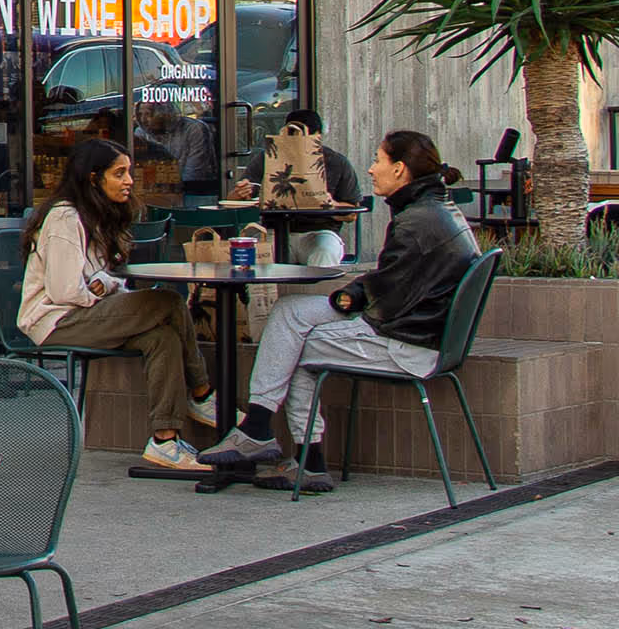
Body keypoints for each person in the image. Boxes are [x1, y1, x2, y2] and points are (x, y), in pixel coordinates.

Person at [201, 129, 475, 493]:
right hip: (420, 329)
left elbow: (387, 291)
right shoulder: (436, 210)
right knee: (288, 311)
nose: (372, 168)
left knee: (294, 347)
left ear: (400, 169)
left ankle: (292, 451)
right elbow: (394, 280)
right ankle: (263, 431)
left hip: (406, 342)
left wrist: (350, 297)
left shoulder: (415, 222)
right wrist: (349, 296)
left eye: (378, 160)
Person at [19, 137, 218, 470]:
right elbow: (65, 291)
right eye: (119, 173)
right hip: (55, 322)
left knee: (163, 338)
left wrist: (106, 285)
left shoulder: (94, 215)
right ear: (93, 178)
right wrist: (104, 288)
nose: (129, 181)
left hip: (86, 314)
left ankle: (164, 441)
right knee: (168, 301)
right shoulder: (65, 218)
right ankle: (201, 393)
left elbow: (100, 281)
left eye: (130, 172)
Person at [224, 107, 365, 266]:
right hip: (274, 231)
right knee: (251, 256)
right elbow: (232, 200)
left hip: (319, 231)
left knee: (325, 251)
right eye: (292, 136)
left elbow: (351, 214)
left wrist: (331, 205)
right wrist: (240, 192)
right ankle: (260, 291)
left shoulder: (336, 162)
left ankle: (319, 291)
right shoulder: (267, 159)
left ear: (317, 136)